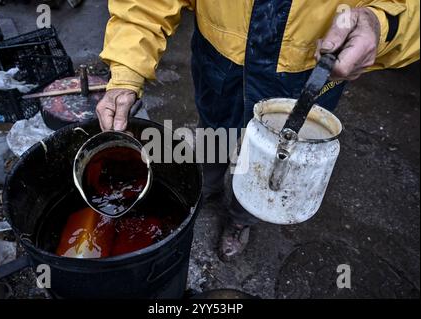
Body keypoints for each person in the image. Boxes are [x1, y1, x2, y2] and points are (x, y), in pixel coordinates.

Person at [97, 0, 420, 261]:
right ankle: (202, 189)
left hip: (308, 69)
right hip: (219, 57)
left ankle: (241, 217)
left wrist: (383, 23)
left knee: (270, 160)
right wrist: (127, 71)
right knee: (215, 133)